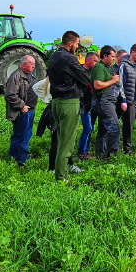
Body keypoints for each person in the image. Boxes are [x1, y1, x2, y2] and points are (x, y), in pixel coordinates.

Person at [48, 31, 91, 181]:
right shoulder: (69, 59)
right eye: (77, 43)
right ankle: (61, 177)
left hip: (56, 102)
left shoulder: (53, 56)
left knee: (60, 139)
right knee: (67, 143)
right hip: (69, 102)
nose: (78, 46)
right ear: (71, 43)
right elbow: (85, 79)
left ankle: (60, 172)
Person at [34, 77, 83, 173]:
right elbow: (35, 87)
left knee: (65, 139)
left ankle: (69, 164)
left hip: (56, 106)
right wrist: (47, 99)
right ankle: (52, 168)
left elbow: (36, 87)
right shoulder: (58, 79)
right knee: (57, 141)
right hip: (58, 108)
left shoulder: (51, 78)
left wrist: (46, 99)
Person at [5, 55, 38, 167]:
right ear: (24, 64)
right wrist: (22, 106)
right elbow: (10, 95)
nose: (34, 66)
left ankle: (23, 159)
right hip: (22, 112)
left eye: (34, 64)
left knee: (27, 135)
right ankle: (15, 161)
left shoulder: (29, 75)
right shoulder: (16, 76)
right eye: (31, 64)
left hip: (30, 111)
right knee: (20, 136)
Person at [92, 45, 123, 160]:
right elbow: (97, 85)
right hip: (103, 102)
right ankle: (112, 156)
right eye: (112, 56)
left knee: (103, 129)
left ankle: (100, 155)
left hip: (108, 101)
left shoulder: (107, 67)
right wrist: (113, 80)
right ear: (105, 56)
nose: (114, 59)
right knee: (114, 127)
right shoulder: (99, 67)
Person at [118, 44, 136, 156]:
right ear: (132, 52)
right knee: (129, 126)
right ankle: (127, 149)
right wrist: (123, 99)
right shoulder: (124, 66)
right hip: (129, 101)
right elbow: (120, 84)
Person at [77, 52, 99, 160]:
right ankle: (81, 153)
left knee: (89, 128)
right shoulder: (80, 71)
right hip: (82, 104)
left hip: (91, 104)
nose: (96, 63)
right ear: (88, 60)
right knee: (87, 128)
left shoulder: (94, 72)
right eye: (94, 61)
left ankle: (86, 150)